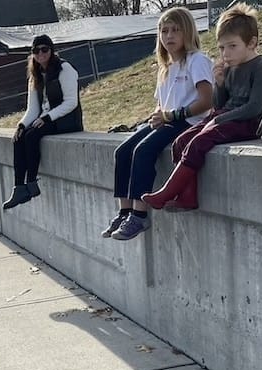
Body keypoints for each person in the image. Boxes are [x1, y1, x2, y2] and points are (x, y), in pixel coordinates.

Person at [141, 3, 262, 211]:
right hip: (227, 117)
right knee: (181, 141)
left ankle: (167, 192)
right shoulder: (231, 67)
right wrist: (220, 83)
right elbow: (220, 104)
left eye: (232, 46)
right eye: (222, 48)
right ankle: (188, 197)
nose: (225, 54)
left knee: (200, 142)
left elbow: (255, 107)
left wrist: (219, 119)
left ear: (251, 43)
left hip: (250, 122)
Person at [103, 7, 213, 240]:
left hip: (188, 122)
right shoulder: (165, 68)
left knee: (143, 151)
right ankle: (124, 211)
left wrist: (170, 116)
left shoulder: (197, 60)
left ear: (188, 32)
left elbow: (206, 101)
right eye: (164, 31)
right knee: (123, 151)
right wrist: (156, 117)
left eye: (175, 30)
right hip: (167, 121)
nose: (169, 36)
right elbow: (160, 104)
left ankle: (139, 216)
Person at [3, 34, 84, 211]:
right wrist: (21, 125)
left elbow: (71, 102)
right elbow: (32, 109)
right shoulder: (35, 75)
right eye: (36, 51)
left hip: (65, 120)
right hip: (44, 118)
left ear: (51, 50)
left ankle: (31, 183)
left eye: (44, 49)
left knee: (32, 136)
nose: (40, 54)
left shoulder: (65, 69)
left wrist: (47, 118)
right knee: (20, 136)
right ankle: (19, 188)